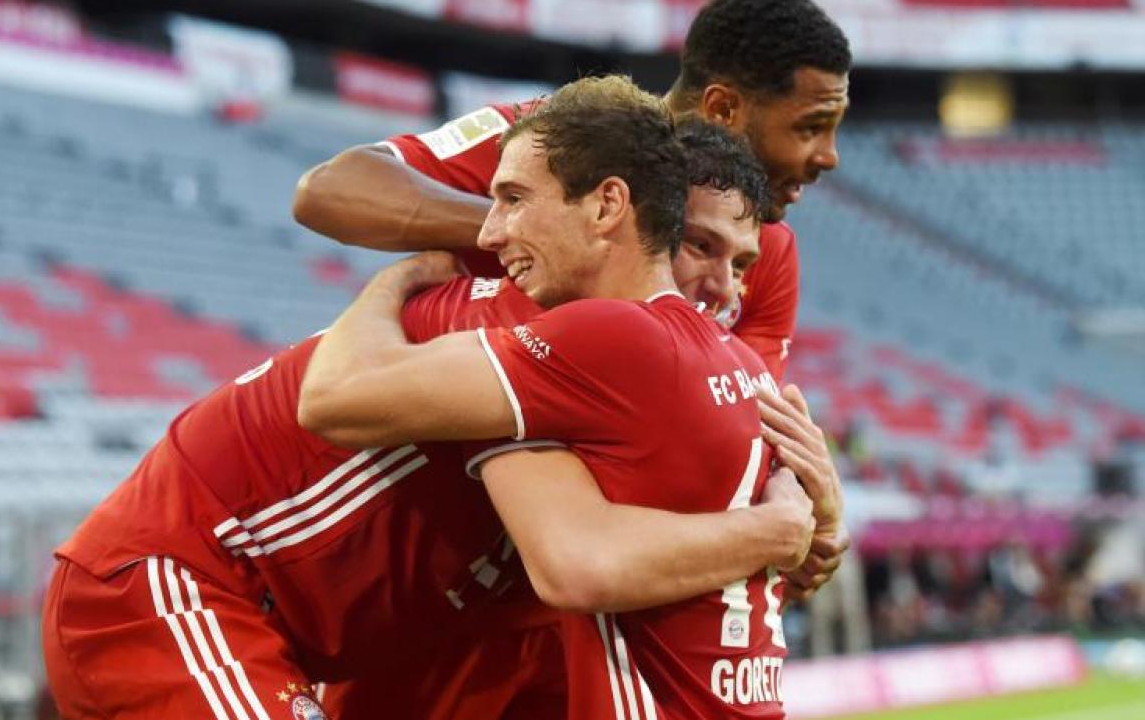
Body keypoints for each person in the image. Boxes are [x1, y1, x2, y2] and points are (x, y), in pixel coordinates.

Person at [41, 80, 822, 720]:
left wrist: (814, 520)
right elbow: (575, 558)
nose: (492, 228)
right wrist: (776, 527)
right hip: (179, 579)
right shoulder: (539, 327)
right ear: (623, 211)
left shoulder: (669, 349)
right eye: (698, 246)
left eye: (739, 261)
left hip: (345, 627)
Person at [295, 0, 850, 719]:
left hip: (578, 607)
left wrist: (817, 515)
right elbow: (330, 191)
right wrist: (539, 225)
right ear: (721, 108)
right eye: (812, 126)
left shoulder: (764, 253)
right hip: (436, 584)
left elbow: (729, 462)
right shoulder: (558, 147)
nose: (830, 157)